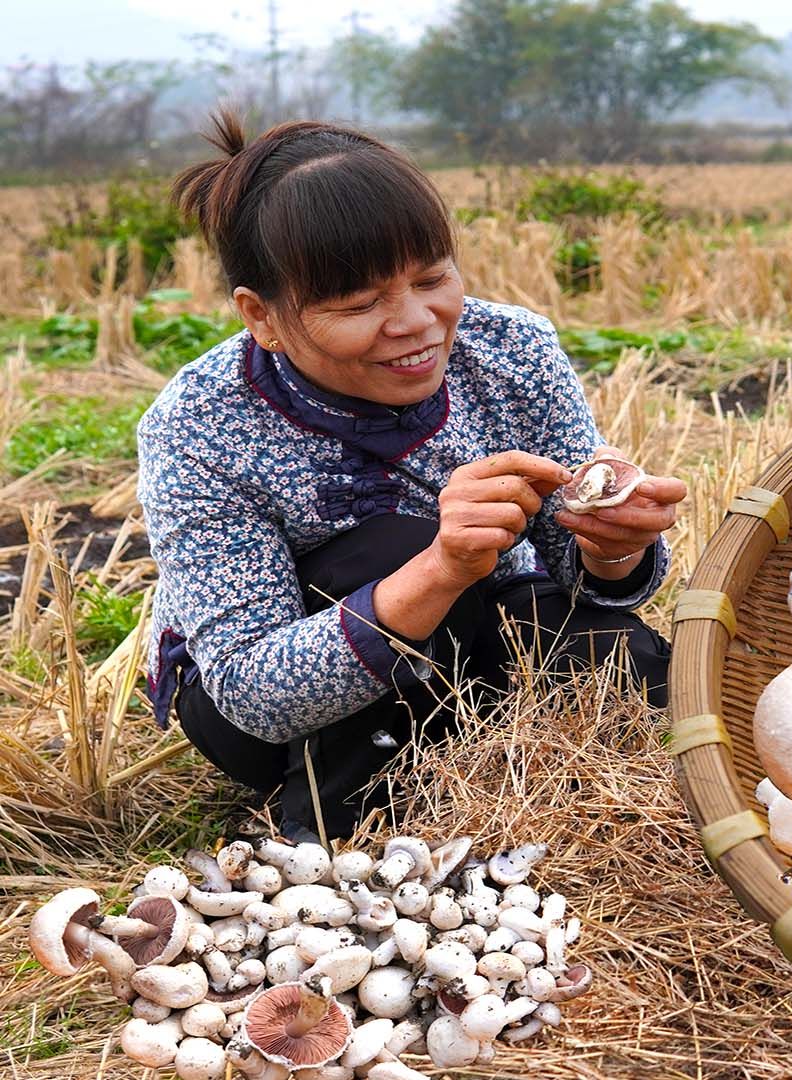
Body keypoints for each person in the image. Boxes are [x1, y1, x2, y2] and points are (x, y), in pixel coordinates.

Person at [137, 111, 683, 840]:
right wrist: (440, 568)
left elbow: (584, 577)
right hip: (280, 723)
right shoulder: (200, 423)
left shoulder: (512, 350)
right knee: (392, 546)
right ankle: (337, 834)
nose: (415, 323)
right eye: (359, 305)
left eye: (432, 279)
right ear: (261, 316)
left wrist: (614, 544)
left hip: (481, 634)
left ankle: (506, 803)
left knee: (624, 667)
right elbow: (250, 693)